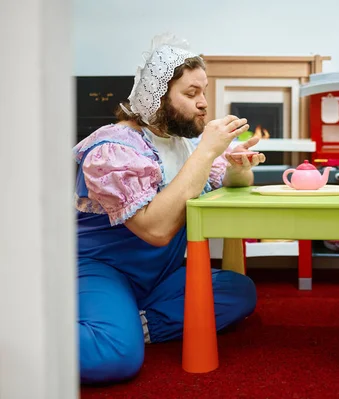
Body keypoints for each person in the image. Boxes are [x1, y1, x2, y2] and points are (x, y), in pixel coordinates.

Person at [74, 33, 266, 384]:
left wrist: (239, 166)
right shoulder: (113, 148)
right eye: (191, 94)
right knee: (116, 355)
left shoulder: (185, 144)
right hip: (101, 269)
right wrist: (208, 152)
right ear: (158, 99)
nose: (204, 103)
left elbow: (230, 183)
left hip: (159, 278)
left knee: (239, 291)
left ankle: (130, 320)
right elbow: (157, 230)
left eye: (204, 91)